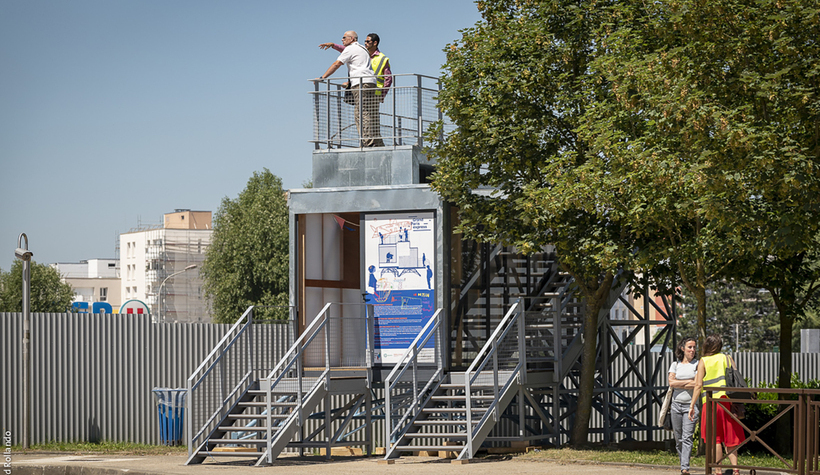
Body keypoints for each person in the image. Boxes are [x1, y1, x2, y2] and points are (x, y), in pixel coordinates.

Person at [689, 335, 745, 475]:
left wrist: (691, 406)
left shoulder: (703, 361)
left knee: (716, 439)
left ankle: (718, 470)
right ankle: (736, 470)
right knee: (730, 438)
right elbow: (735, 378)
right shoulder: (727, 358)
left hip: (711, 404)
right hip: (727, 401)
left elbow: (698, 385)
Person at [317, 31, 382, 147]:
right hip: (372, 83)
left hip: (361, 84)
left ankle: (368, 143)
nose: (342, 40)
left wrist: (323, 77)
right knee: (373, 113)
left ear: (352, 39)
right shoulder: (363, 49)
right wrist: (333, 45)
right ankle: (378, 143)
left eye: (344, 38)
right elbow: (347, 52)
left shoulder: (350, 49)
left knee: (362, 113)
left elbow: (337, 63)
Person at [319, 32, 392, 102]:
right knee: (365, 112)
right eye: (365, 41)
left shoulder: (382, 58)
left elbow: (388, 79)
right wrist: (333, 45)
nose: (365, 43)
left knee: (364, 112)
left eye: (368, 41)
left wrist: (382, 95)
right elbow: (348, 51)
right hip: (365, 87)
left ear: (375, 43)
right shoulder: (363, 51)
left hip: (375, 92)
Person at [669, 337, 699, 475]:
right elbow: (671, 383)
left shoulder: (697, 365)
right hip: (676, 406)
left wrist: (679, 382)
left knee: (687, 437)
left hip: (691, 406)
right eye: (690, 347)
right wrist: (689, 381)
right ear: (683, 348)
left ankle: (685, 468)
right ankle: (683, 464)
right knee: (678, 438)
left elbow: (697, 384)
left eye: (694, 347)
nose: (692, 350)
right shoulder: (675, 365)